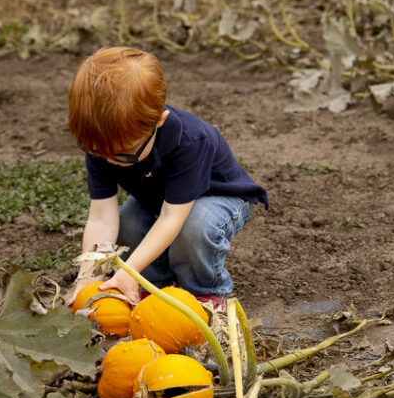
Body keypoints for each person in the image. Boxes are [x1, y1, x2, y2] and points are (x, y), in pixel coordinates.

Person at [67, 46, 268, 311]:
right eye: (98, 153)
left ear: (159, 122)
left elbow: (173, 217)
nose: (112, 161)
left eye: (125, 154)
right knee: (127, 221)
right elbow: (102, 218)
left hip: (219, 199)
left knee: (195, 227)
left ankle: (203, 294)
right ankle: (157, 287)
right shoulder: (103, 143)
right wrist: (88, 277)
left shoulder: (191, 141)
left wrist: (130, 269)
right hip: (161, 200)